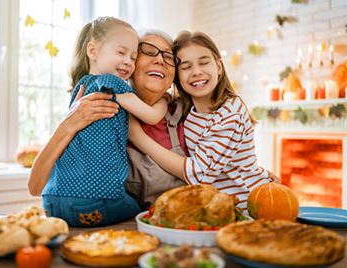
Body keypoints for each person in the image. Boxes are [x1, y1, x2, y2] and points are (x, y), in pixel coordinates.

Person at [28, 19, 184, 226]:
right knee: (141, 213)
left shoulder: (82, 87)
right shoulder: (110, 85)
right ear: (92, 50)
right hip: (96, 202)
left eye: (132, 56)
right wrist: (165, 99)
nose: (128, 61)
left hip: (53, 201)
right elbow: (152, 116)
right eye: (121, 53)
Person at [128, 31, 274, 213]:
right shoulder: (185, 108)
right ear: (177, 77)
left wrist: (137, 137)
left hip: (247, 208)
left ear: (219, 67)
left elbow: (199, 174)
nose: (196, 72)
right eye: (186, 67)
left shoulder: (230, 112)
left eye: (204, 62)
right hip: (214, 209)